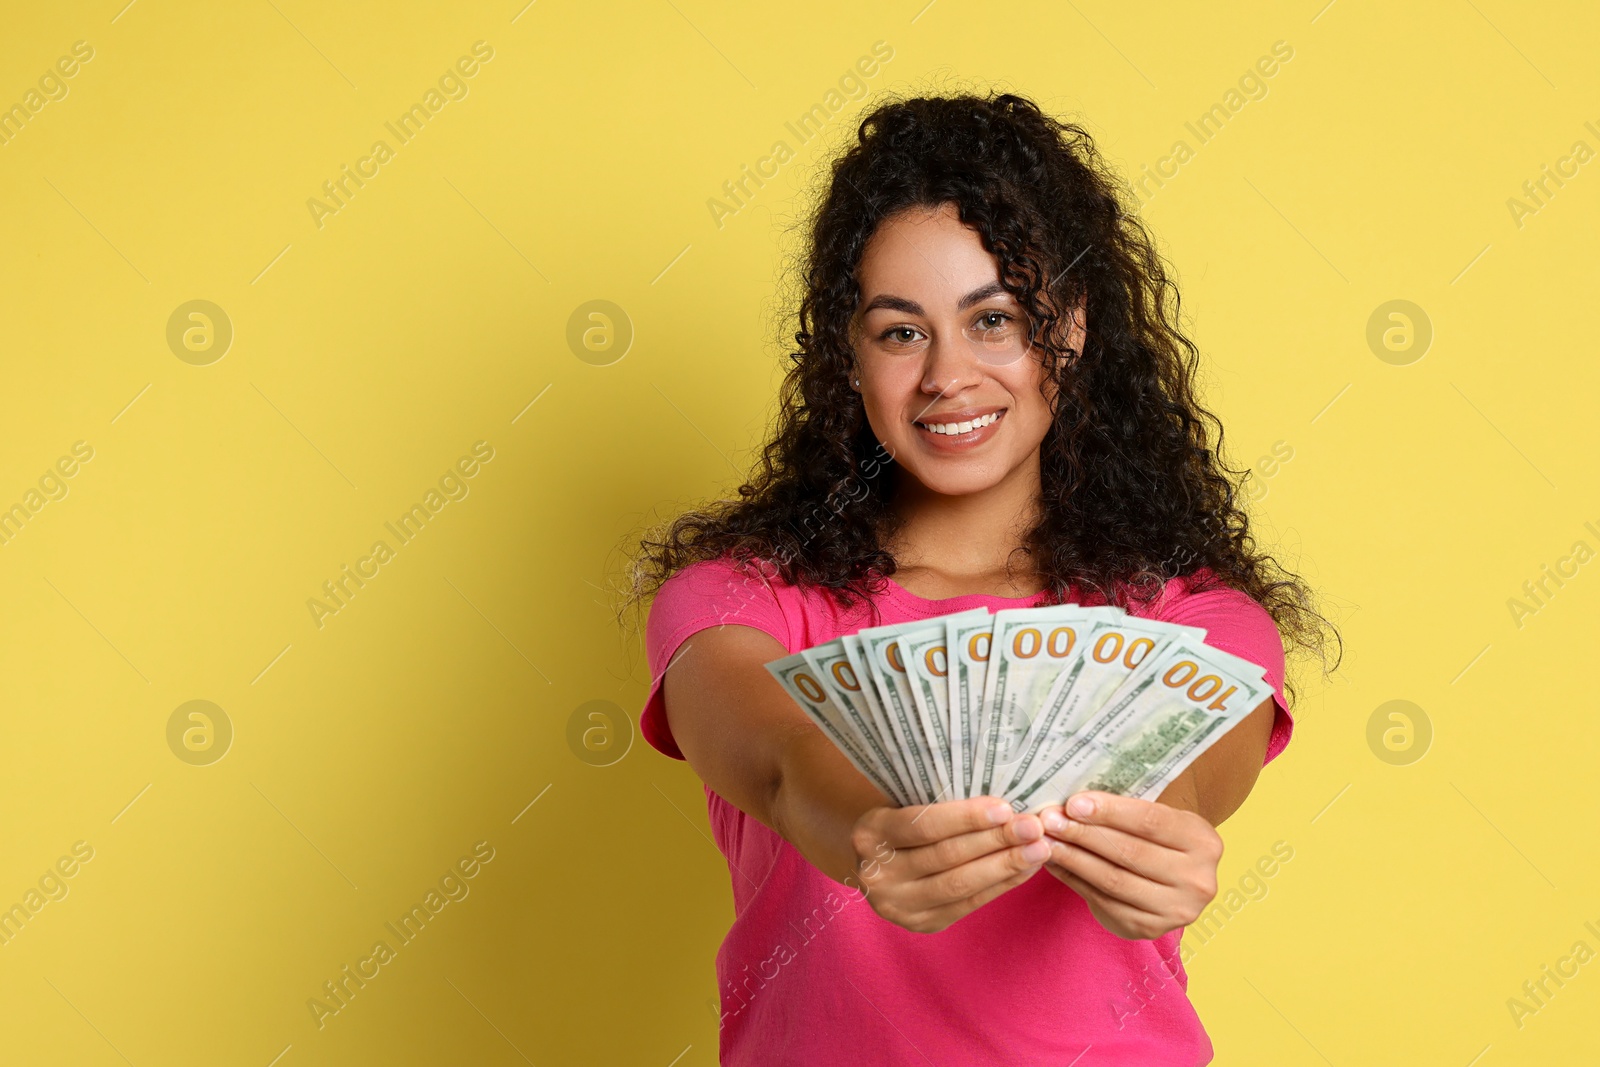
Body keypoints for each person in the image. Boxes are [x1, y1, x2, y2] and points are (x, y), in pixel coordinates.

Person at [624, 91, 1337, 1066]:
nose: (948, 377)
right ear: (850, 355)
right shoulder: (736, 600)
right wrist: (872, 831)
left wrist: (1160, 837)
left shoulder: (1196, 618)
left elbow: (1191, 777)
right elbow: (781, 759)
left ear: (1071, 328)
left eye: (993, 319)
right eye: (900, 332)